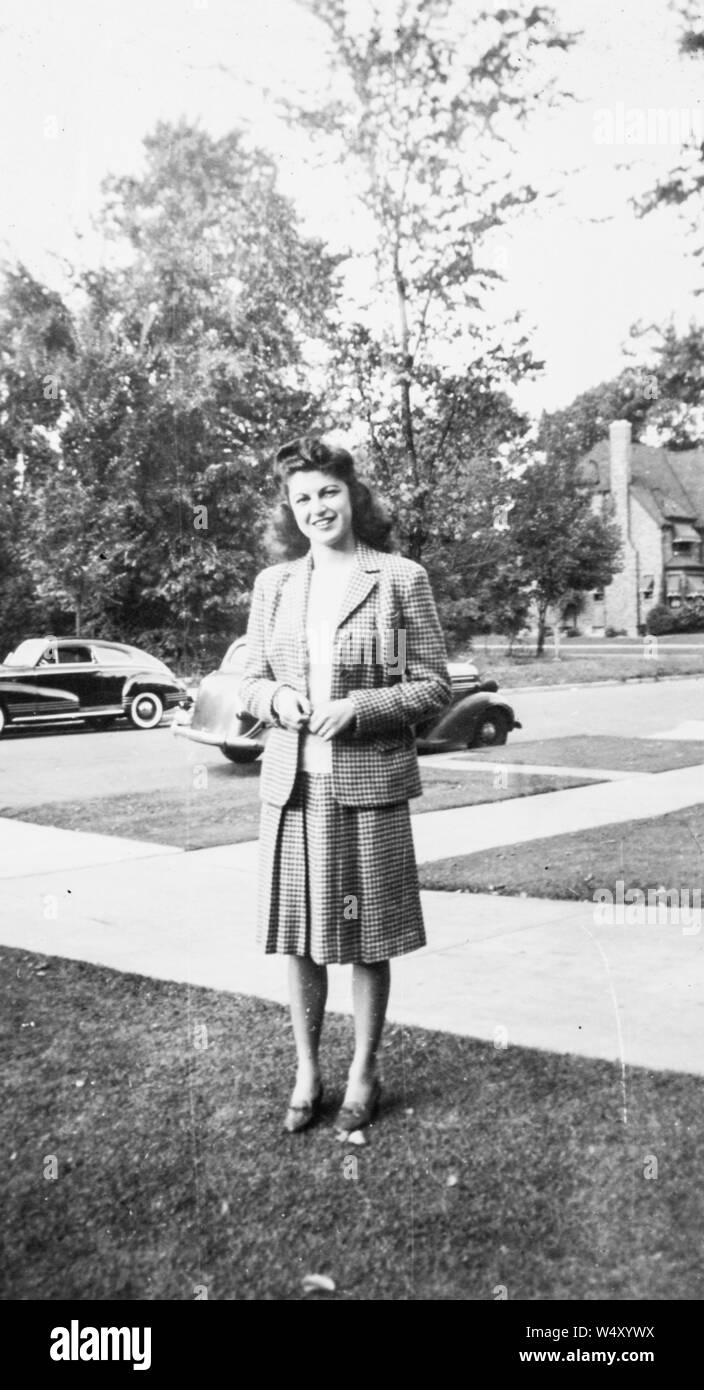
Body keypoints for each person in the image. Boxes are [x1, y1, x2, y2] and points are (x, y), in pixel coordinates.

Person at [238, 436, 451, 1135]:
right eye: (302, 498)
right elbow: (248, 679)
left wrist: (357, 709)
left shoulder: (398, 578)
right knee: (297, 937)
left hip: (368, 785)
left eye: (327, 491)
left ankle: (363, 1071)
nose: (316, 507)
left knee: (367, 938)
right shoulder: (275, 586)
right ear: (289, 510)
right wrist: (275, 701)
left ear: (353, 495)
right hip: (293, 787)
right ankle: (307, 1069)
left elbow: (431, 685)